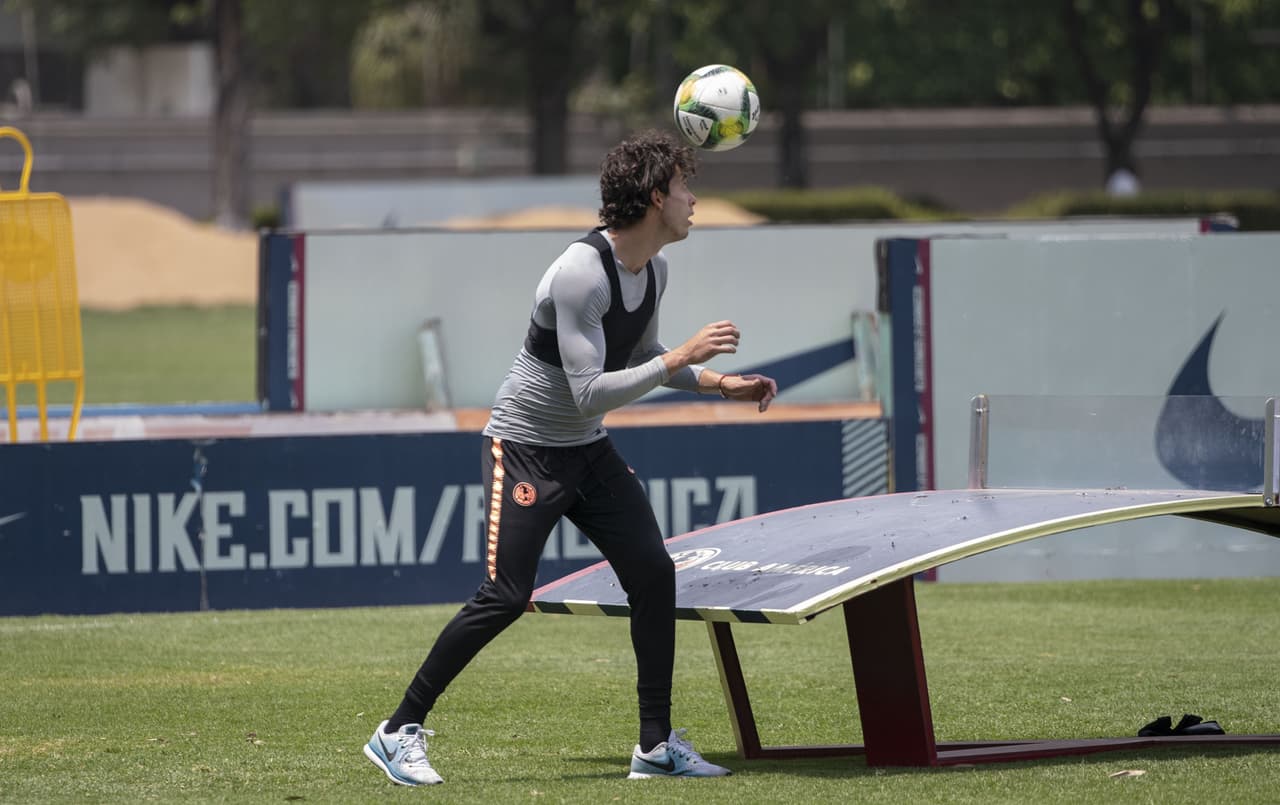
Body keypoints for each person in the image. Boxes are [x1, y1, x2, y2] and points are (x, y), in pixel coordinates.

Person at [363, 129, 778, 786]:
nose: (694, 199)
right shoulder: (581, 272)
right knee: (506, 594)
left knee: (652, 572)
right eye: (682, 187)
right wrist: (682, 357)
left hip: (585, 452)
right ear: (652, 198)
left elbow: (640, 362)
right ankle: (398, 729)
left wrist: (722, 383)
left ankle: (654, 743)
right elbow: (588, 393)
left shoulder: (653, 270)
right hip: (526, 447)